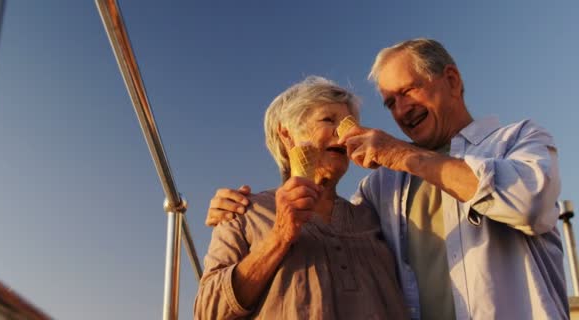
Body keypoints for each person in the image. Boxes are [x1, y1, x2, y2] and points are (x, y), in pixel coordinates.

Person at [205, 39, 568, 320]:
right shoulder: (381, 189)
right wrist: (247, 213)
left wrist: (400, 153)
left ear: (452, 81)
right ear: (287, 136)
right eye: (390, 102)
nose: (400, 110)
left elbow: (530, 203)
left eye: (408, 91)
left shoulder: (517, 141)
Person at [194, 76, 408, 319]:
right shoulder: (244, 211)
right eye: (328, 120)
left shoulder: (372, 214)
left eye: (350, 125)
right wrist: (279, 236)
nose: (345, 134)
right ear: (287, 134)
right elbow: (207, 311)